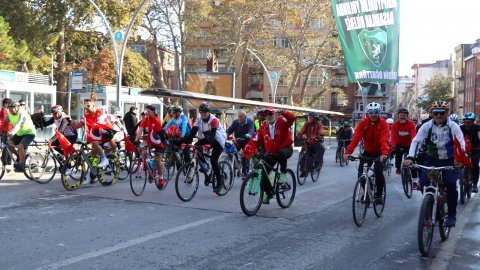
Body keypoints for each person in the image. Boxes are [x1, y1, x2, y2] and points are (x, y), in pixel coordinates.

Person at [404, 101, 466, 227]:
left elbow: (461, 142)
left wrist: (460, 160)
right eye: (436, 112)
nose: (438, 115)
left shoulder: (453, 126)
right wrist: (410, 157)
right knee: (423, 184)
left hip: (450, 160)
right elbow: (416, 141)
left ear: (447, 113)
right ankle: (430, 207)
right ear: (432, 113)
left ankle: (452, 215)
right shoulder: (427, 126)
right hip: (432, 160)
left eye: (442, 112)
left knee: (450, 184)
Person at [244, 107, 295, 204]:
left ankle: (283, 175)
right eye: (266, 114)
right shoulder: (263, 126)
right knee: (263, 172)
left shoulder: (282, 121)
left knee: (281, 153)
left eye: (270, 114)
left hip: (286, 149)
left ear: (275, 114)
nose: (268, 116)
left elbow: (292, 119)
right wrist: (247, 149)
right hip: (272, 152)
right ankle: (269, 193)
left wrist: (284, 112)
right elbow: (255, 139)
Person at [343, 102, 390, 204]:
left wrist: (384, 153)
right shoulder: (363, 123)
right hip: (367, 152)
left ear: (379, 113)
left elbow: (384, 139)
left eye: (376, 112)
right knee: (361, 172)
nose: (373, 114)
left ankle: (378, 195)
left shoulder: (383, 123)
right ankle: (367, 193)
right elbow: (356, 139)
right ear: (367, 113)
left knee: (378, 171)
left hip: (380, 152)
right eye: (371, 112)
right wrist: (348, 152)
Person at [184, 103, 227, 192]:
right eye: (201, 112)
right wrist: (186, 143)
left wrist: (210, 145)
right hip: (208, 138)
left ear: (208, 112)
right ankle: (205, 166)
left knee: (213, 160)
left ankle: (220, 182)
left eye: (205, 112)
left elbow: (213, 134)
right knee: (196, 147)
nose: (203, 114)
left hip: (218, 140)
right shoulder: (199, 119)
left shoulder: (213, 120)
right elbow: (193, 132)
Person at [70, 99, 116, 169]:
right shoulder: (86, 116)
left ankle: (104, 159)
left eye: (88, 106)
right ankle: (93, 172)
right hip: (97, 132)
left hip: (107, 132)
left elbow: (98, 127)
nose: (86, 108)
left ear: (93, 106)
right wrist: (71, 120)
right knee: (93, 153)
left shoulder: (100, 113)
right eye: (85, 106)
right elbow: (78, 125)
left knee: (94, 143)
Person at [135, 105, 168, 188]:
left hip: (159, 141)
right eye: (146, 111)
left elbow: (159, 134)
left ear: (153, 112)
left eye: (148, 111)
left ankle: (161, 178)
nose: (147, 113)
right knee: (140, 147)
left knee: (157, 159)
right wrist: (136, 141)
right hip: (151, 140)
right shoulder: (145, 119)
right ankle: (149, 167)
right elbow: (140, 130)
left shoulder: (157, 120)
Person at [3, 101, 36, 172]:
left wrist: (12, 132)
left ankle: (22, 164)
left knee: (21, 146)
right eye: (10, 108)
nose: (11, 109)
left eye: (13, 107)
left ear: (17, 108)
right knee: (8, 144)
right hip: (19, 134)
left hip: (29, 133)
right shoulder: (9, 115)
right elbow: (3, 123)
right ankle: (19, 156)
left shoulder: (23, 113)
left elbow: (19, 124)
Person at [225, 110, 255, 176]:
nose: (239, 118)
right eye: (238, 116)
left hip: (247, 141)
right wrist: (225, 134)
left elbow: (251, 130)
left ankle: (245, 173)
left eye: (241, 117)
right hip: (238, 141)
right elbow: (230, 130)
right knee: (230, 151)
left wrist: (248, 135)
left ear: (245, 116)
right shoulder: (236, 122)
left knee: (245, 157)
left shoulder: (250, 122)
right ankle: (236, 162)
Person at [297, 112, 325, 177]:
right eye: (309, 117)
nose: (309, 118)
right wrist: (299, 135)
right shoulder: (307, 123)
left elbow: (321, 132)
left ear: (315, 118)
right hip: (308, 142)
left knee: (322, 148)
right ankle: (303, 170)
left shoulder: (319, 124)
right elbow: (302, 131)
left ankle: (317, 162)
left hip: (316, 141)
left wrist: (319, 137)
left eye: (311, 117)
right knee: (302, 154)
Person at [391, 108, 416, 175]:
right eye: (400, 115)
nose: (402, 117)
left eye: (404, 115)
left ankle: (412, 170)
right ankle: (398, 167)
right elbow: (393, 136)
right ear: (398, 116)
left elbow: (413, 136)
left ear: (407, 116)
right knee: (398, 154)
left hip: (409, 144)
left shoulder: (411, 124)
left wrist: (414, 146)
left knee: (412, 156)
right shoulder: (395, 124)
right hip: (400, 144)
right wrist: (393, 147)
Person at [460, 112, 480, 193]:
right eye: (465, 121)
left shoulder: (477, 128)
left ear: (473, 121)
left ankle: (474, 184)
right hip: (463, 149)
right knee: (459, 164)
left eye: (469, 122)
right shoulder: (461, 128)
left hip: (475, 149)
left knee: (475, 165)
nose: (466, 123)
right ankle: (462, 177)